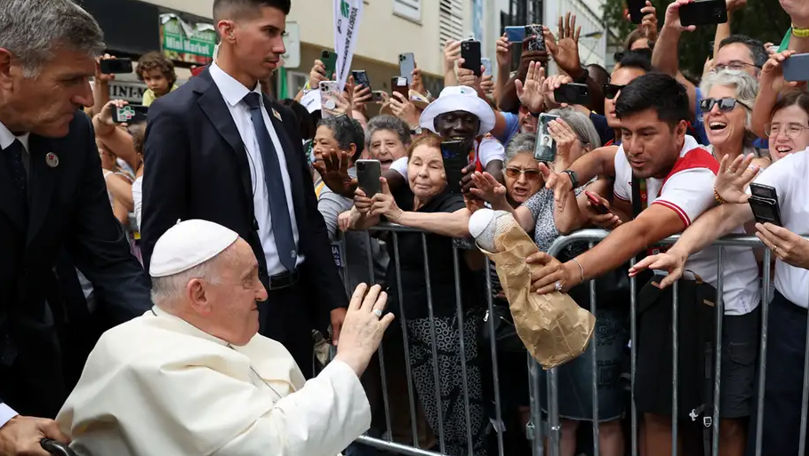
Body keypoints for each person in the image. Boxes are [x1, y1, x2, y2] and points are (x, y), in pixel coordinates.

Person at [527, 73, 760, 456]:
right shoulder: (631, 152)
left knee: (724, 421)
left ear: (680, 130)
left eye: (646, 134)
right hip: (672, 299)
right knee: (659, 412)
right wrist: (569, 176)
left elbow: (642, 231)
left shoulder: (698, 173)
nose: (633, 147)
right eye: (625, 133)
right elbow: (603, 157)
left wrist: (571, 270)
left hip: (726, 310)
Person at [57, 219, 394, 456]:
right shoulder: (144, 362)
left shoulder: (248, 338)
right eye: (249, 279)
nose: (263, 292)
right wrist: (348, 360)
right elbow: (270, 448)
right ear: (199, 294)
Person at [141, 0, 347, 378]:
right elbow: (159, 231)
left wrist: (333, 298)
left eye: (281, 33)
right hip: (221, 318)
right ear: (228, 30)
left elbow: (306, 216)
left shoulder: (283, 118)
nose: (280, 47)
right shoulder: (178, 114)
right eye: (269, 32)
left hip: (294, 306)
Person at [0, 0, 152, 453]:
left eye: (88, 79)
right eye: (70, 80)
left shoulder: (72, 136)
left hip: (43, 365)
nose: (87, 98)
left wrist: (172, 343)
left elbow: (108, 257)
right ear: (5, 67)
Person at [348, 134, 489, 456]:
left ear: (447, 173)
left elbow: (465, 223)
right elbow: (360, 222)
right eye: (417, 163)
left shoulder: (454, 199)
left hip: (448, 323)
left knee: (461, 413)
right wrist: (360, 208)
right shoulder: (402, 195)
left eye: (434, 166)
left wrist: (399, 216)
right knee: (434, 412)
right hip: (411, 320)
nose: (423, 173)